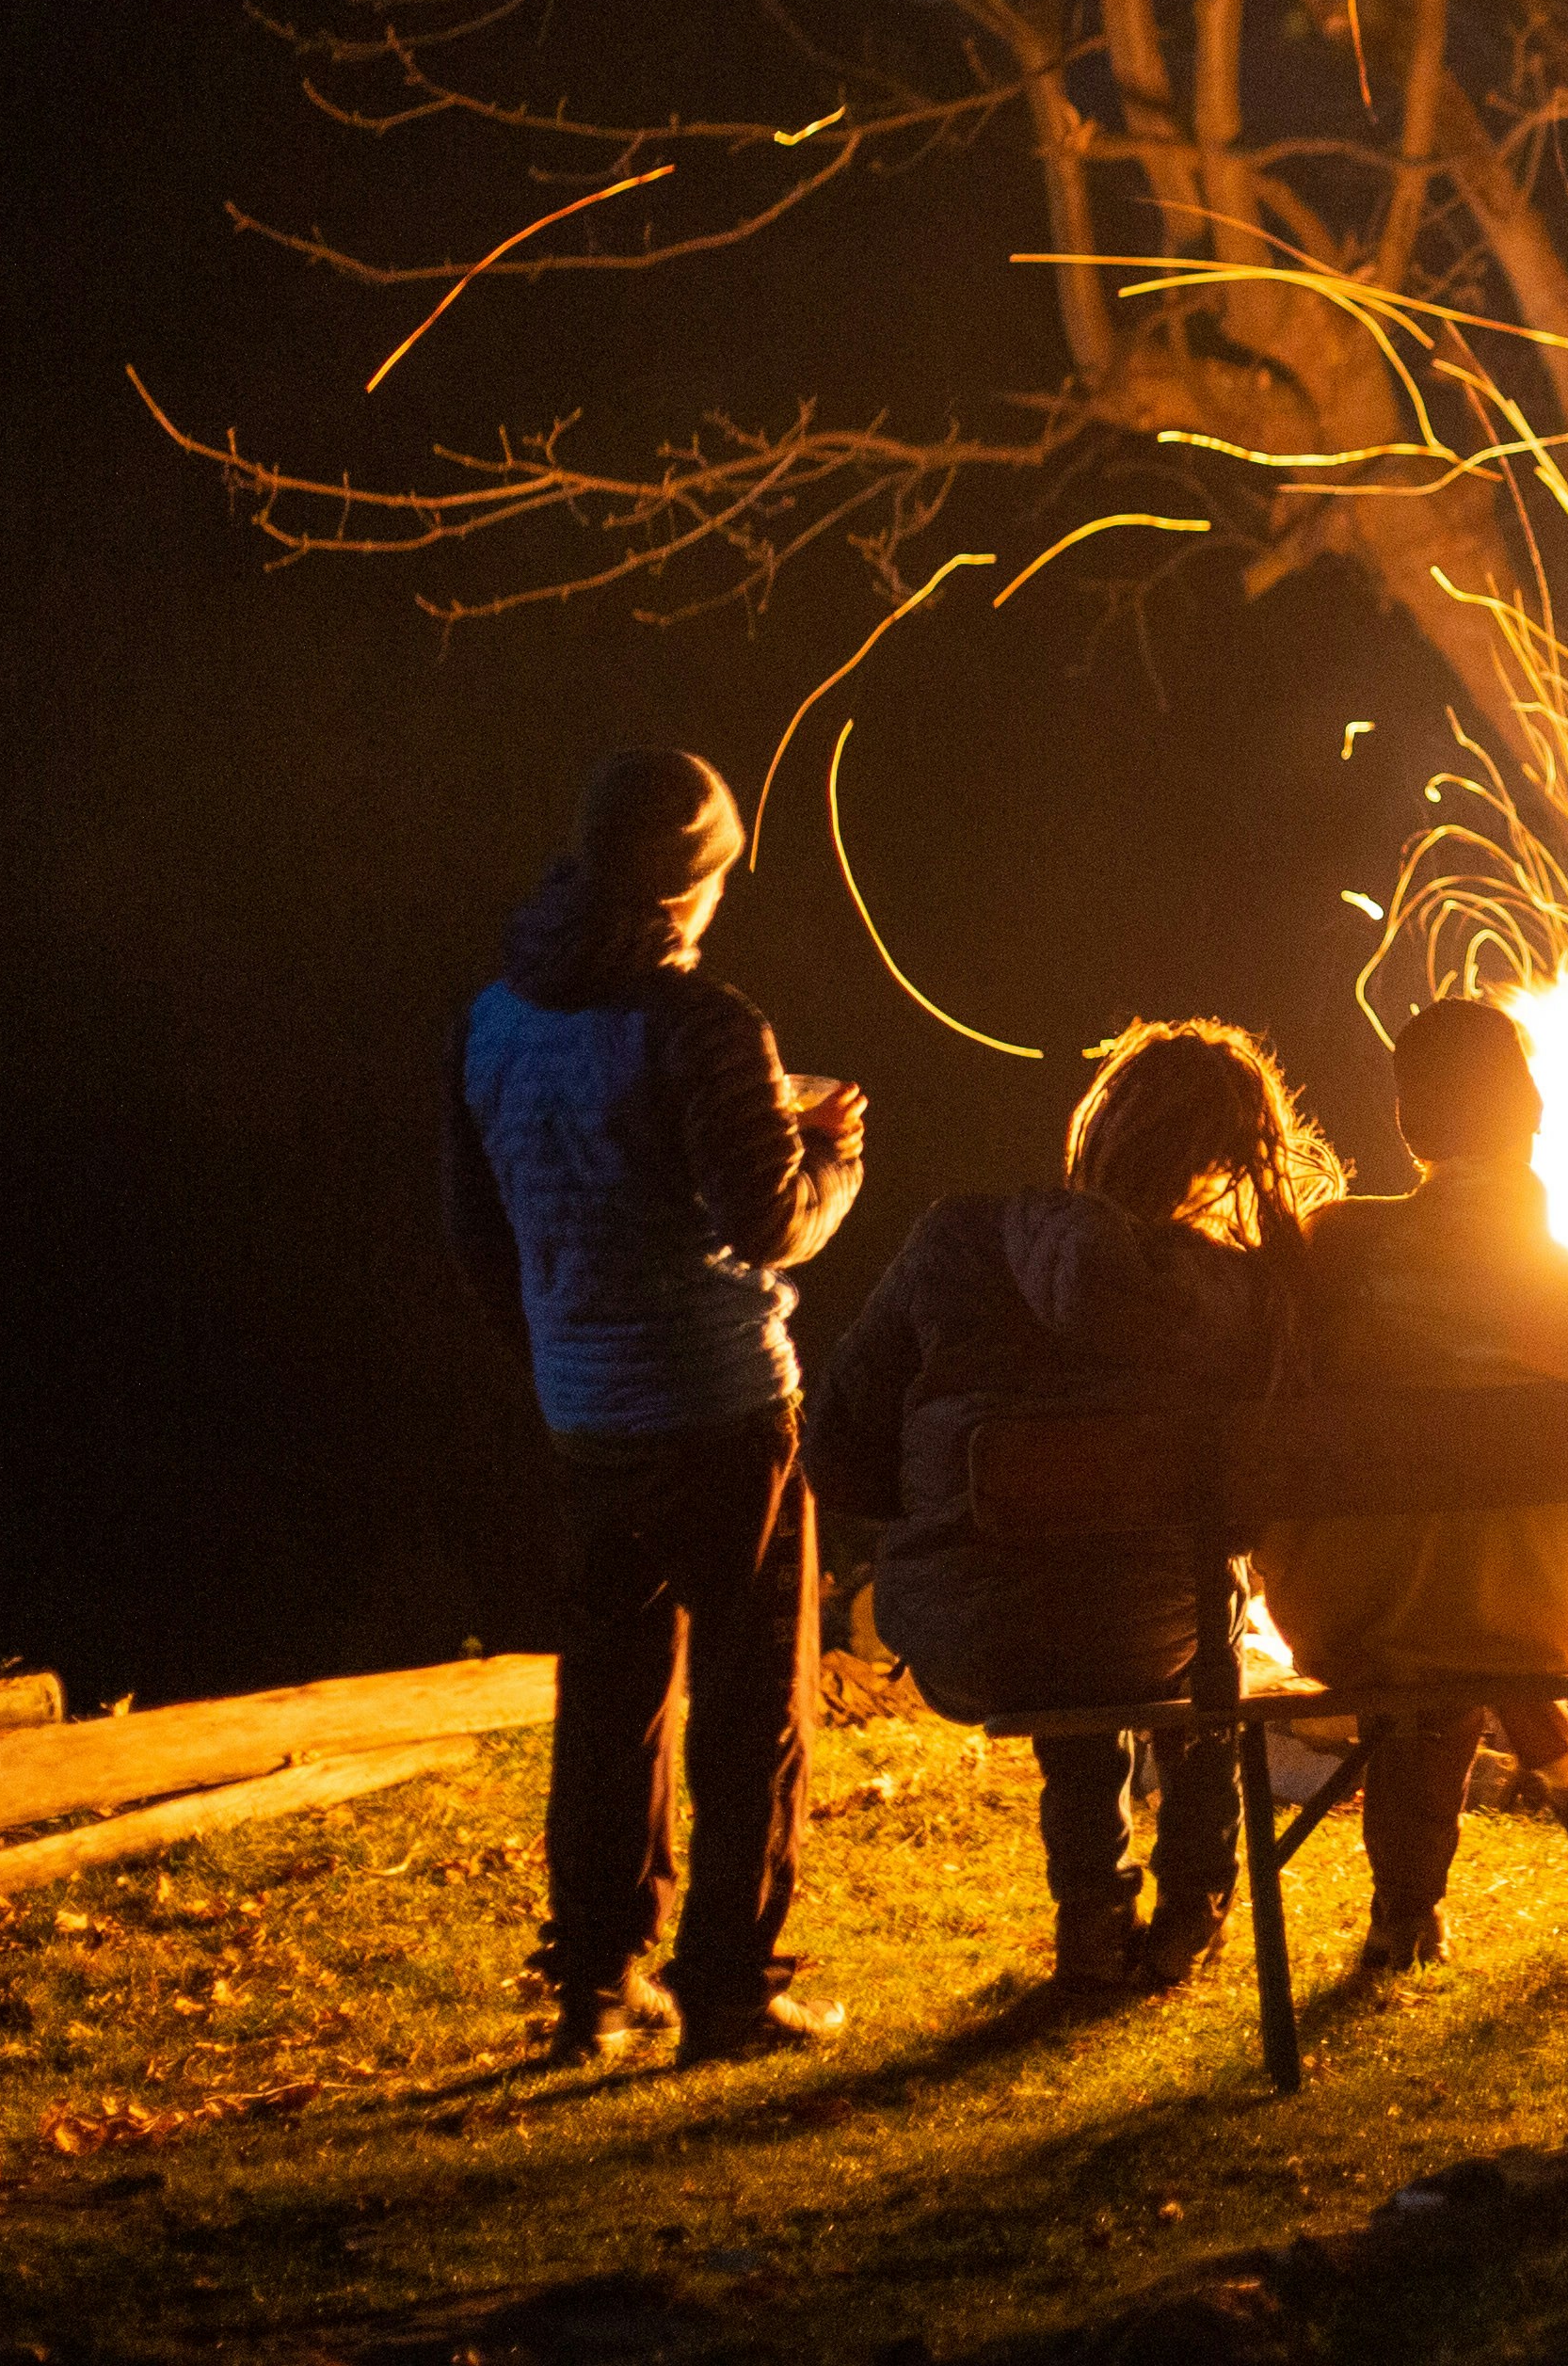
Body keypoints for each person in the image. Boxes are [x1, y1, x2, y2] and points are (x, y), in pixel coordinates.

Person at [445, 750, 866, 2062]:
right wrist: (837, 1146)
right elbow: (770, 1223)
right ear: (696, 880)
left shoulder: (496, 1021)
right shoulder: (704, 1025)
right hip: (724, 1412)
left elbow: (481, 1235)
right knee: (751, 1709)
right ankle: (730, 1991)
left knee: (610, 1700)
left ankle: (594, 1986)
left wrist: (570, 1349)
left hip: (587, 1417)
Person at [817, 1022, 1327, 1990]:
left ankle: (1092, 1912)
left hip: (972, 1632)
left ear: (1101, 1129)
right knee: (1182, 1601)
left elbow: (840, 1448)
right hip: (1154, 1636)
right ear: (1226, 1158)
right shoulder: (1254, 1295)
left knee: (1061, 1605)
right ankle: (1193, 1902)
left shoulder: (956, 1240)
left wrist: (942, 1519)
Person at [1247, 1002, 1568, 1970]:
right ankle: (1556, 1755)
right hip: (1531, 1610)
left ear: (1407, 1123)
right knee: (1475, 1587)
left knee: (1425, 1616)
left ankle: (1408, 1909)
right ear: (1535, 1110)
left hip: (1348, 1607)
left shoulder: (1331, 1248)